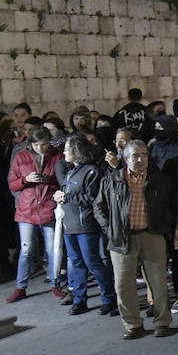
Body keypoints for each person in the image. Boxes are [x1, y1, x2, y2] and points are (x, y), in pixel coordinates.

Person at [92, 140, 177, 338]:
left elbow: (170, 206)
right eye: (135, 156)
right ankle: (132, 324)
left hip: (152, 234)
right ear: (125, 158)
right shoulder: (112, 179)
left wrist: (164, 226)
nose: (140, 159)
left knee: (158, 282)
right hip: (121, 238)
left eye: (144, 155)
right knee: (123, 284)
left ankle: (162, 322)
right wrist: (108, 228)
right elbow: (98, 206)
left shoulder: (160, 179)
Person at [55, 135, 116, 316]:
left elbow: (92, 198)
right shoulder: (72, 171)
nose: (64, 152)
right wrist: (60, 196)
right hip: (69, 224)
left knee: (92, 262)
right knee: (76, 263)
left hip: (86, 225)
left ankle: (109, 299)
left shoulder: (92, 171)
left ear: (76, 151)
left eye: (67, 148)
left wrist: (67, 197)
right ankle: (79, 300)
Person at [6, 127, 63, 304]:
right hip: (27, 210)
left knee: (53, 249)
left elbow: (62, 181)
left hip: (48, 207)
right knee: (26, 250)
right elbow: (12, 185)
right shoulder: (21, 157)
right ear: (31, 144)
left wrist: (49, 182)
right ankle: (20, 287)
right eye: (37, 145)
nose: (41, 148)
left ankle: (55, 283)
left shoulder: (57, 157)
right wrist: (26, 180)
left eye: (44, 144)